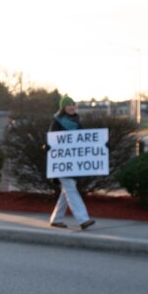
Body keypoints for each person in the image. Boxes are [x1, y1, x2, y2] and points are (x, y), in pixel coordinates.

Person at [48, 95, 95, 230]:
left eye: (73, 104)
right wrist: (48, 146)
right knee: (71, 189)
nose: (71, 107)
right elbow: (52, 139)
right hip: (62, 163)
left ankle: (56, 219)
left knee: (67, 190)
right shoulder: (57, 121)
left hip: (73, 163)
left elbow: (84, 140)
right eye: (69, 105)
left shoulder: (78, 121)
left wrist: (103, 145)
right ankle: (83, 219)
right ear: (63, 107)